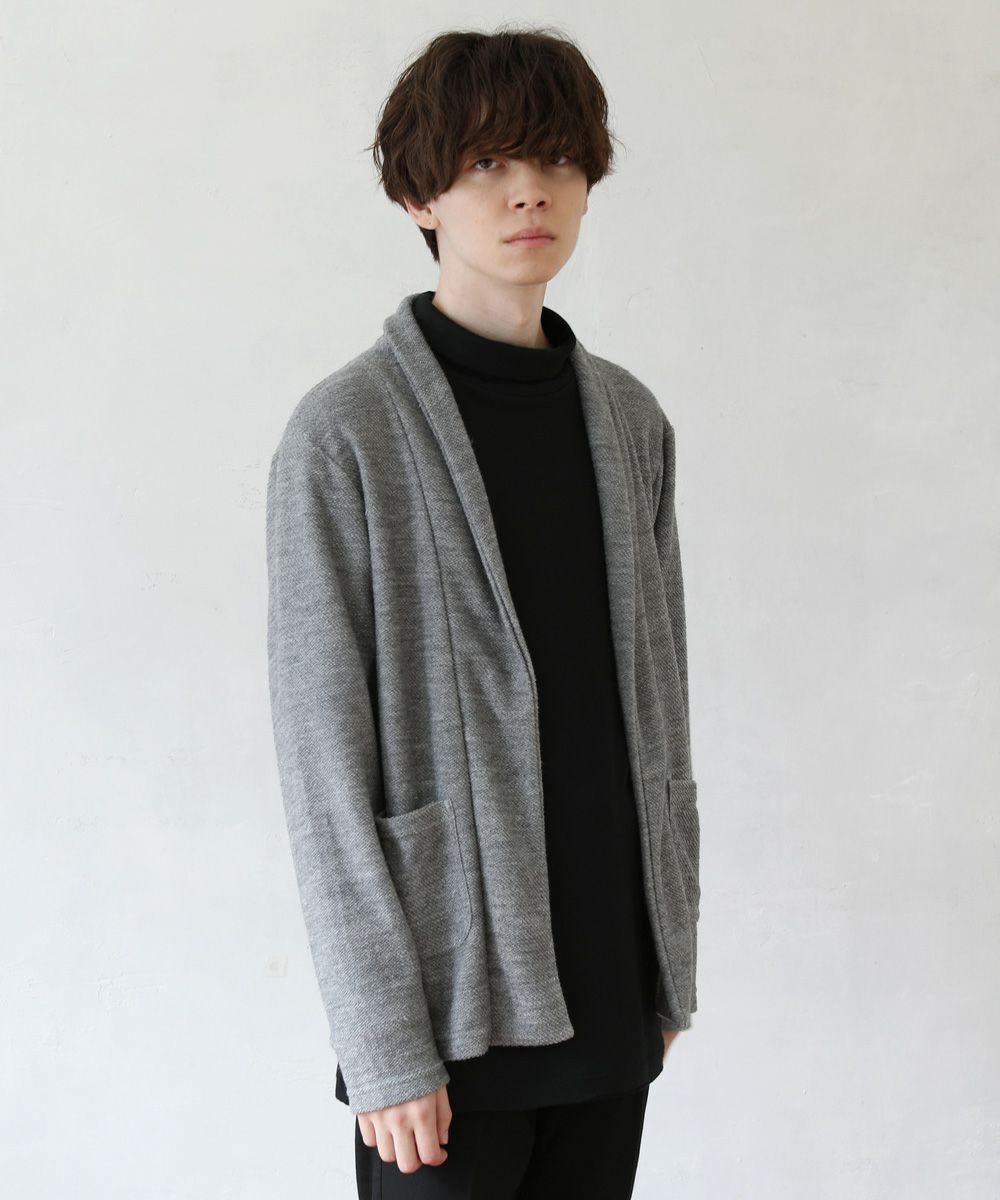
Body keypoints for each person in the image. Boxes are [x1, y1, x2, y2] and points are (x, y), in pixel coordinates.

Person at [265, 24, 701, 1200]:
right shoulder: (345, 433)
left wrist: (667, 959)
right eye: (485, 164)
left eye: (556, 160)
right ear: (419, 196)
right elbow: (321, 762)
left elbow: (660, 709)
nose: (527, 192)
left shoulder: (629, 422)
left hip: (610, 987)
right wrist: (380, 1041)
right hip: (446, 1016)